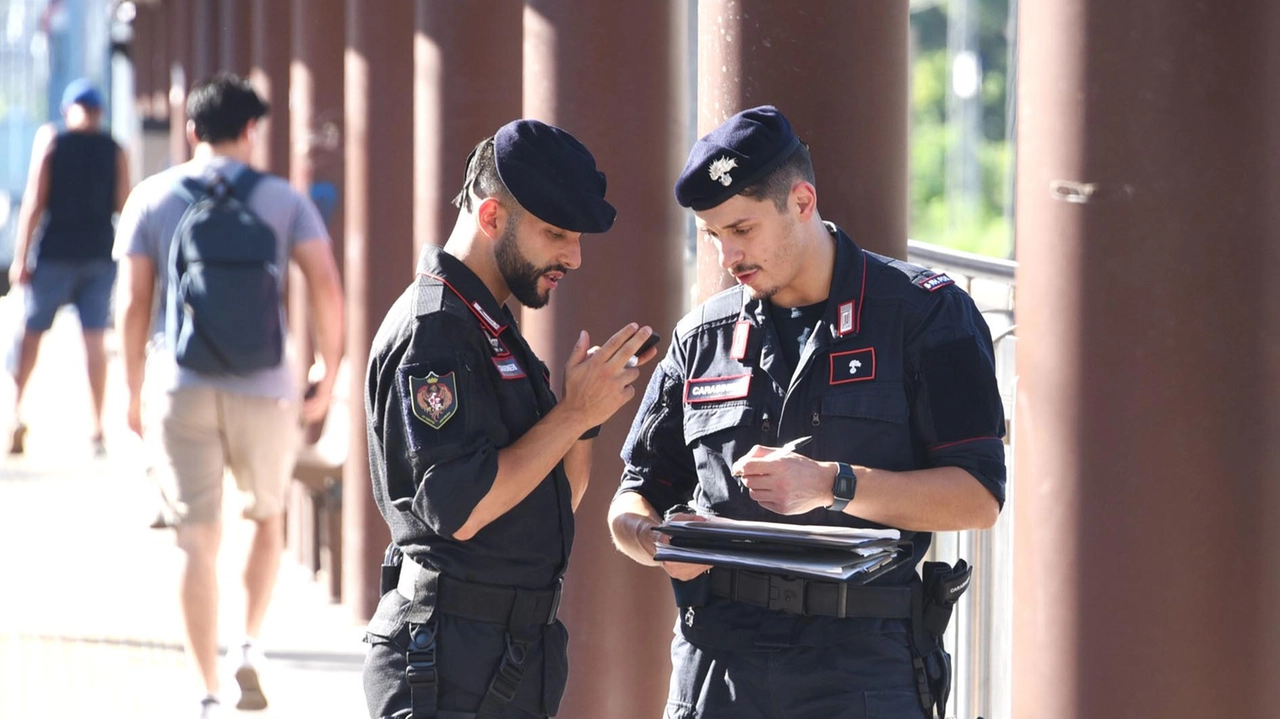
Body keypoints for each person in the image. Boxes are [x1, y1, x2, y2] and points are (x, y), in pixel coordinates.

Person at [607, 105, 1007, 719]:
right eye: (712, 236)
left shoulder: (927, 316)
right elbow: (633, 497)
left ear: (801, 201)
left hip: (861, 666)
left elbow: (977, 498)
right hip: (716, 665)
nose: (726, 256)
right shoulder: (700, 339)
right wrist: (654, 540)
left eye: (741, 228)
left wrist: (832, 485)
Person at [362, 119, 656, 719]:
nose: (573, 256)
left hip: (509, 654)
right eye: (556, 234)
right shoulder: (437, 331)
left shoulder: (491, 323)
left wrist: (585, 415)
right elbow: (462, 509)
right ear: (492, 216)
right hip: (445, 663)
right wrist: (572, 411)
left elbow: (556, 500)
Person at [114, 74, 344, 718]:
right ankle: (248, 644)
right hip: (266, 388)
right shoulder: (281, 199)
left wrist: (132, 390)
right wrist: (328, 368)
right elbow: (325, 285)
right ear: (251, 131)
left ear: (191, 131)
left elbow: (133, 303)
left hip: (179, 384)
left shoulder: (152, 197)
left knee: (195, 538)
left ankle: (206, 688)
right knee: (266, 517)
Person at [7, 78, 129, 455]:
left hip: (55, 252)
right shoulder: (114, 149)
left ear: (66, 110)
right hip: (98, 252)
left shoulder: (52, 141)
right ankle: (96, 429)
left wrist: (20, 257)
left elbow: (34, 201)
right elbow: (124, 204)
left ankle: (14, 413)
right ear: (100, 112)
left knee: (31, 333)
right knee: (93, 339)